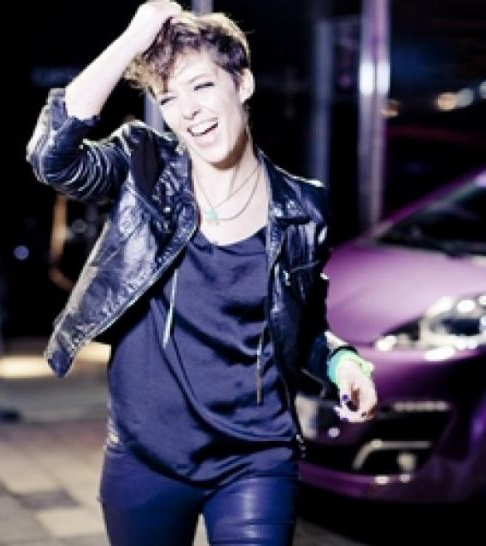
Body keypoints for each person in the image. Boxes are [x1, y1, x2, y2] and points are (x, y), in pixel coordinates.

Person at [24, 2, 378, 544]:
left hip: (256, 458)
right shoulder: (143, 167)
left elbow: (302, 323)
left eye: (202, 86)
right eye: (168, 98)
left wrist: (342, 362)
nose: (188, 111)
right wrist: (132, 39)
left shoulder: (303, 209)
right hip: (146, 458)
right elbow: (51, 157)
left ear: (243, 83)